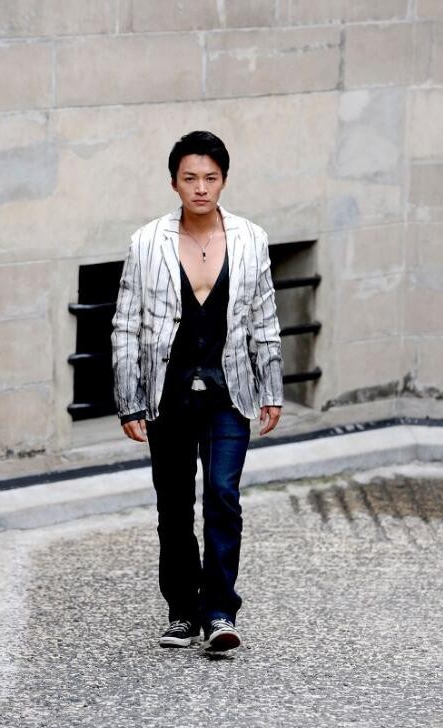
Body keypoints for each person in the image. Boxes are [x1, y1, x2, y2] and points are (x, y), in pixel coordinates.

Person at [111, 130, 283, 653]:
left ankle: (220, 612)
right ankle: (183, 612)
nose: (201, 188)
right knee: (174, 505)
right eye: (190, 178)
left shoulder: (251, 239)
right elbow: (126, 325)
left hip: (230, 392)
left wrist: (271, 387)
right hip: (168, 396)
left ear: (224, 181)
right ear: (174, 183)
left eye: (210, 178)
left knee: (223, 496)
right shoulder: (147, 242)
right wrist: (129, 400)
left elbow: (265, 319)